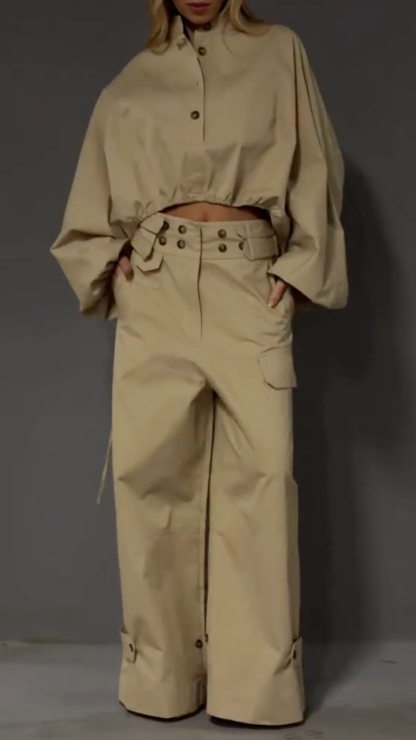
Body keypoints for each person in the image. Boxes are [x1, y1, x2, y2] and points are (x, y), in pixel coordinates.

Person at [50, 0, 348, 727]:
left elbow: (317, 166)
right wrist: (111, 264)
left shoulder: (280, 52)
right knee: (149, 477)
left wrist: (300, 269)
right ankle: (161, 680)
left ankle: (258, 688)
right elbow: (89, 203)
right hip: (157, 288)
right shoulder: (132, 81)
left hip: (249, 280)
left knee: (265, 477)